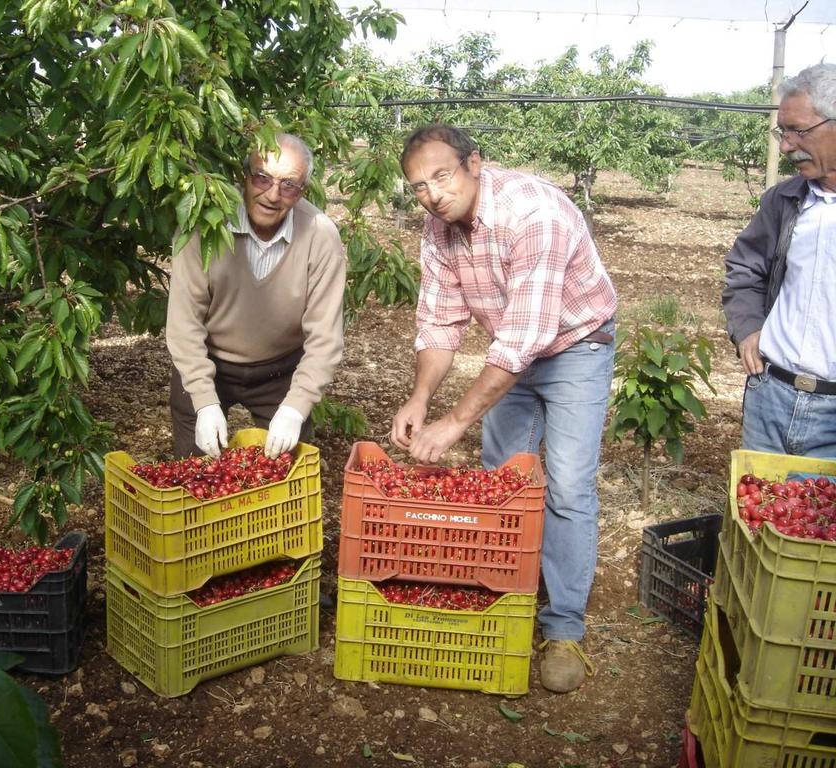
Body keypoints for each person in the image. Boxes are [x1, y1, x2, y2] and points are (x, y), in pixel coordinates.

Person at [390, 124, 617, 693]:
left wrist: (454, 421)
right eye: (419, 186)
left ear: (474, 164)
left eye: (441, 176)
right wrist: (421, 399)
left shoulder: (533, 213)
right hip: (510, 349)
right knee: (502, 475)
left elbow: (525, 338)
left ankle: (563, 626)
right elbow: (440, 321)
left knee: (566, 484)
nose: (433, 194)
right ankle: (503, 595)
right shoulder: (438, 230)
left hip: (575, 345)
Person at [166, 133, 346, 459]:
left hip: (279, 370)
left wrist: (296, 407)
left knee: (285, 478)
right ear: (244, 177)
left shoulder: (319, 235)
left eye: (289, 185)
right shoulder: (202, 228)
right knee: (194, 472)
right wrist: (205, 402)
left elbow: (325, 337)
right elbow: (184, 323)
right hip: (208, 361)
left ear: (302, 190)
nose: (272, 195)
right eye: (262, 178)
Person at [723, 62, 836, 458]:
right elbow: (745, 269)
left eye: (798, 131)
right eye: (782, 131)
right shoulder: (784, 201)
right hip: (770, 397)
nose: (786, 145)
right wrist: (748, 327)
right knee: (759, 513)